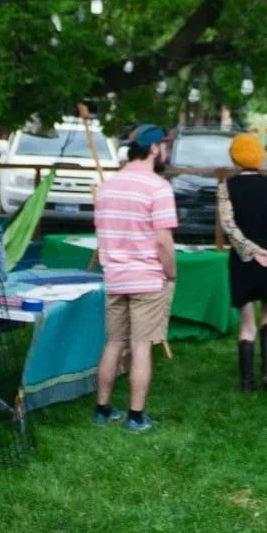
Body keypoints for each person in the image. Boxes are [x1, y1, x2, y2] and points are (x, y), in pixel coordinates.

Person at [90, 123, 176, 432]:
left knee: (113, 343)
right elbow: (163, 241)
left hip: (115, 276)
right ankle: (136, 416)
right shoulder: (158, 187)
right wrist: (172, 274)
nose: (165, 150)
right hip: (147, 278)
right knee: (141, 346)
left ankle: (102, 409)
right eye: (163, 145)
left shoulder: (108, 186)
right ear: (154, 149)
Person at [217, 132, 267, 393]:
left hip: (242, 260)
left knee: (246, 324)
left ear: (235, 158)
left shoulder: (226, 187)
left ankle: (247, 383)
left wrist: (250, 250)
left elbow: (228, 226)